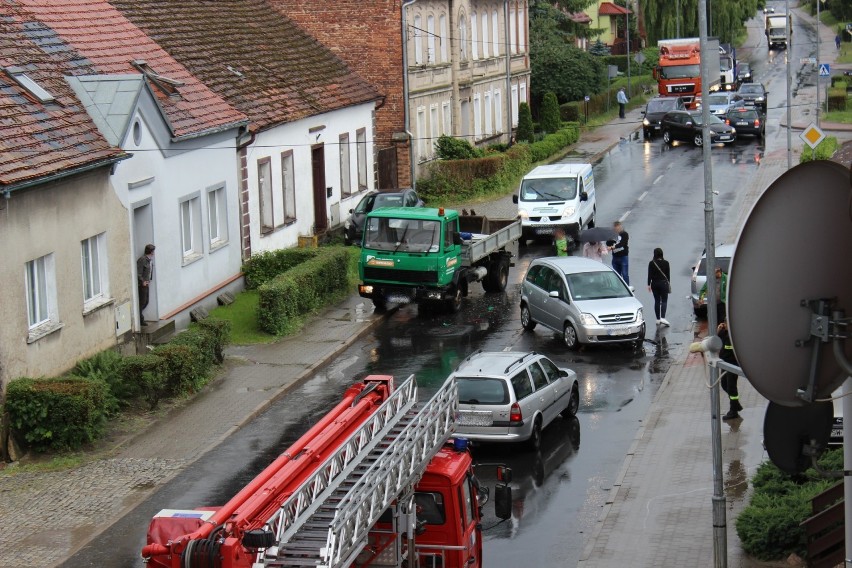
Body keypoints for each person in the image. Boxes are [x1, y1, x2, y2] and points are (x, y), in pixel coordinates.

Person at [717, 321, 743, 420]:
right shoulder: (724, 333)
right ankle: (736, 405)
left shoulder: (735, 336)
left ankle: (733, 411)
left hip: (733, 365)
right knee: (724, 385)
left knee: (731, 387)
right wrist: (719, 329)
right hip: (724, 364)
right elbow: (717, 336)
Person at [647, 247, 671, 327]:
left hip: (654, 284)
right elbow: (668, 275)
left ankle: (657, 319)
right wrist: (668, 284)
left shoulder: (651, 263)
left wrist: (648, 285)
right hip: (663, 283)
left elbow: (649, 274)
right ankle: (663, 317)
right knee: (664, 301)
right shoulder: (666, 263)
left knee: (657, 301)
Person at [137, 243, 155, 325]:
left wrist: (148, 280)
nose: (154, 253)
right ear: (150, 252)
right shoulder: (142, 260)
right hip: (142, 285)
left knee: (146, 301)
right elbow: (139, 273)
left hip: (147, 283)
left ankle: (139, 315)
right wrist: (142, 281)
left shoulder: (150, 260)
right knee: (142, 302)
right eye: (153, 251)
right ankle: (140, 319)